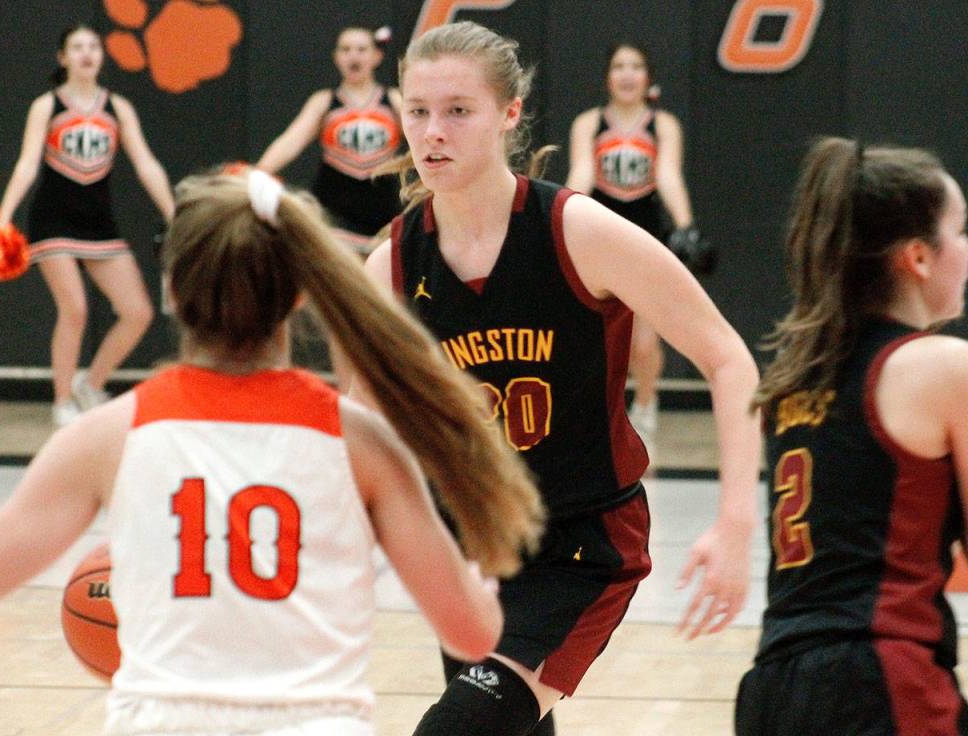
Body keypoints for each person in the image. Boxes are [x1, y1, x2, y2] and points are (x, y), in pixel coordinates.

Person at [0, 166, 545, 736]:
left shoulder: (105, 436)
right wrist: (481, 590)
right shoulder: (363, 443)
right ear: (299, 296)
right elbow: (471, 636)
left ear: (173, 292)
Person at [361, 21, 760, 736]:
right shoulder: (393, 260)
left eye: (458, 110)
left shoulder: (577, 231)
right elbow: (356, 427)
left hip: (580, 543)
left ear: (509, 115)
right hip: (472, 548)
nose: (433, 133)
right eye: (417, 111)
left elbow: (729, 359)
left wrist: (735, 524)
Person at [735, 138, 968, 735]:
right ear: (919, 256)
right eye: (961, 230)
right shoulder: (942, 366)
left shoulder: (793, 380)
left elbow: (874, 549)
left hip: (771, 692)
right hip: (879, 681)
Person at [0, 23, 174, 427]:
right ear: (63, 58)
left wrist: (173, 215)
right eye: (77, 47)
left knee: (138, 311)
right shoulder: (47, 105)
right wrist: (3, 219)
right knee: (73, 308)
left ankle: (89, 385)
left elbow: (146, 164)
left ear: (102, 56)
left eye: (93, 46)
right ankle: (61, 401)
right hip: (53, 218)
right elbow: (26, 164)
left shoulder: (118, 108)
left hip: (98, 221)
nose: (86, 53)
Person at [566, 42, 710, 446]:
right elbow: (581, 173)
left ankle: (645, 404)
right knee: (596, 338)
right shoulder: (588, 123)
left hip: (648, 241)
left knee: (644, 344)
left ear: (647, 77)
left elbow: (668, 176)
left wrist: (686, 226)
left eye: (636, 66)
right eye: (619, 66)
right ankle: (602, 414)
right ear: (608, 77)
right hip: (599, 240)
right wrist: (559, 214)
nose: (627, 74)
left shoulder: (662, 125)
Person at [257, 26, 403, 254]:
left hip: (382, 207)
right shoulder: (324, 101)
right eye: (345, 49)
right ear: (336, 57)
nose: (353, 55)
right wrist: (258, 172)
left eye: (361, 49)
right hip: (333, 208)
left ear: (377, 56)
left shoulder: (393, 100)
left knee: (378, 279)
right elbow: (291, 141)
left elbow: (421, 140)